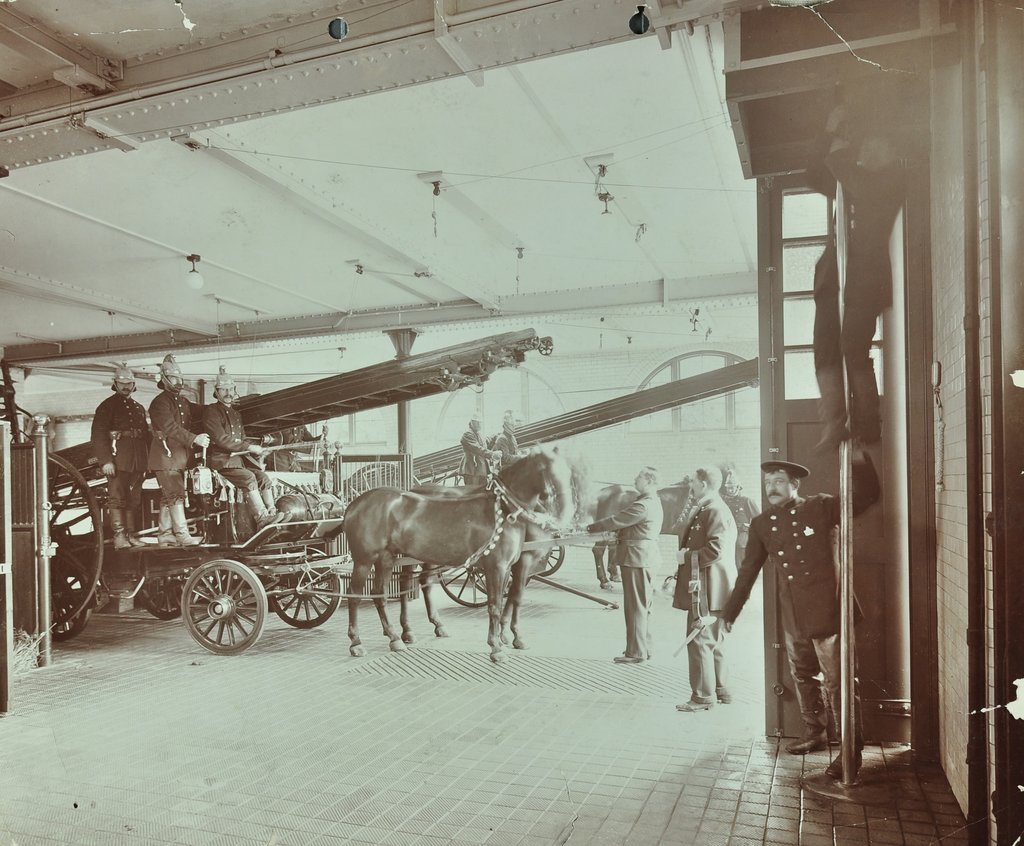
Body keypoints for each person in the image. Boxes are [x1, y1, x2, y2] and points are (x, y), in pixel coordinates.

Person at [721, 460, 864, 780]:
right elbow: (747, 572)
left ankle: (851, 752)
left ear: (795, 485)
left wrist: (860, 458)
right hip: (795, 613)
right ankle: (815, 731)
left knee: (838, 682)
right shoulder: (762, 523)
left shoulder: (822, 507)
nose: (772, 486)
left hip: (829, 610)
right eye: (768, 481)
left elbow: (865, 497)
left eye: (780, 480)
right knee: (802, 673)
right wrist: (731, 611)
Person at [811, 102, 906, 452]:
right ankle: (834, 422)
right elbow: (815, 173)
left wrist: (840, 144)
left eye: (875, 147)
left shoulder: (891, 181)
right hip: (833, 277)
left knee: (853, 347)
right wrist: (829, 133)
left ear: (891, 152)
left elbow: (846, 171)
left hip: (864, 279)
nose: (867, 152)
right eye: (865, 146)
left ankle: (868, 424)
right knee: (824, 350)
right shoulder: (852, 178)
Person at [672, 464, 737, 712]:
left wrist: (685, 557)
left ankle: (702, 697)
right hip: (713, 586)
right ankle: (721, 689)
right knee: (713, 641)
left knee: (699, 640)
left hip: (708, 588)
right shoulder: (711, 508)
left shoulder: (715, 509)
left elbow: (715, 550)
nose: (690, 486)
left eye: (693, 482)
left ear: (703, 484)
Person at [586, 466, 663, 664]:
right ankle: (644, 648)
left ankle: (635, 653)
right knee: (643, 605)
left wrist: (590, 527)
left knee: (635, 606)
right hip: (642, 558)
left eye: (639, 476)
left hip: (636, 559)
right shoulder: (652, 502)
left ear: (648, 481)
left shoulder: (643, 506)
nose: (635, 478)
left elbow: (617, 520)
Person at [204, 366, 280, 532]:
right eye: (224, 389)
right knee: (249, 478)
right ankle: (262, 518)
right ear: (216, 392)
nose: (228, 393)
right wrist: (249, 446)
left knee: (263, 478)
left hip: (237, 463)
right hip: (221, 463)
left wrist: (258, 448)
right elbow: (222, 439)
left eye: (231, 389)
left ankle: (272, 512)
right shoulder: (212, 411)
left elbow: (242, 438)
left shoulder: (236, 414)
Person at [148, 354, 209, 546]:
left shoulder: (182, 402)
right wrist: (194, 438)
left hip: (178, 458)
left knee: (170, 495)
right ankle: (182, 535)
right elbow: (171, 428)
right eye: (174, 378)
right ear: (165, 380)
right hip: (165, 457)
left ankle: (165, 534)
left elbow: (202, 411)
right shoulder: (160, 403)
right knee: (175, 494)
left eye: (179, 377)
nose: (178, 381)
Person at [90, 363, 151, 550]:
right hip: (118, 459)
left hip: (137, 460)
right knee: (117, 498)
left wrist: (147, 462)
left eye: (129, 383)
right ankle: (119, 536)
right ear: (115, 384)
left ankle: (131, 535)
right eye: (122, 383)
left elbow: (146, 436)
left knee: (134, 498)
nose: (126, 387)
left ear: (134, 385)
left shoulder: (138, 407)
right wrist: (105, 460)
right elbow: (98, 434)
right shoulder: (107, 406)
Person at [719, 464, 761, 566]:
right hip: (728, 534)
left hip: (741, 535)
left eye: (733, 488)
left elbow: (759, 520)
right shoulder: (724, 501)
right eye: (729, 488)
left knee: (740, 561)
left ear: (738, 487)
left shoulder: (746, 500)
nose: (731, 490)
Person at [459, 414, 498, 486]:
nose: (479, 424)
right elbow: (477, 448)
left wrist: (493, 439)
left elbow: (484, 447)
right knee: (472, 493)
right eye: (477, 422)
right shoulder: (467, 434)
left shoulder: (478, 434)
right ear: (472, 422)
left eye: (480, 422)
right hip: (472, 470)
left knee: (482, 493)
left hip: (480, 469)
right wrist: (492, 454)